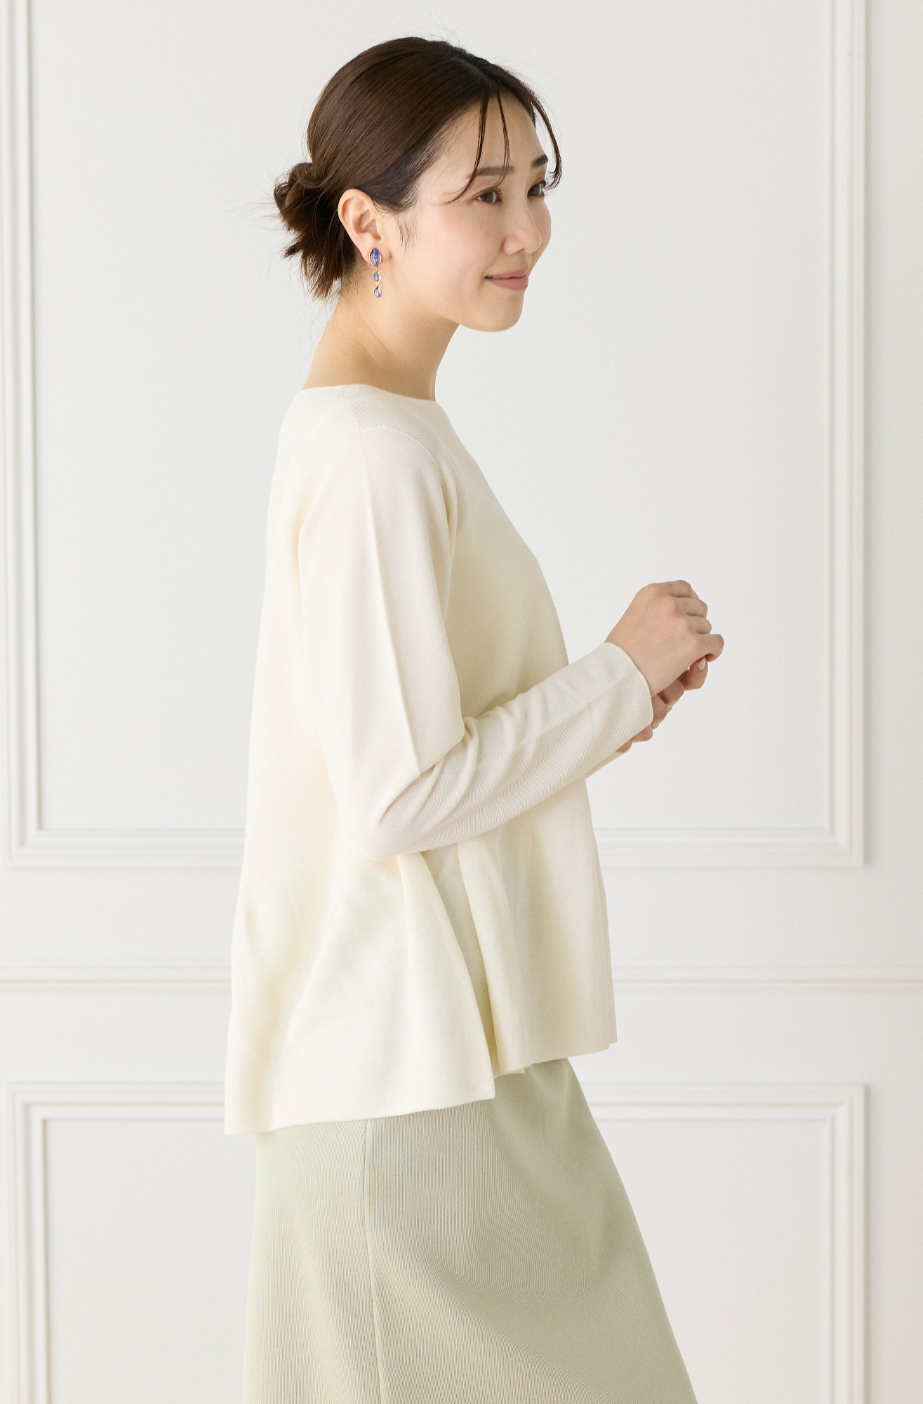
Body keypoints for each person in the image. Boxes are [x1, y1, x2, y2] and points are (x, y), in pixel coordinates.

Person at [224, 35, 724, 1403]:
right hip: (404, 1079)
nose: (527, 232)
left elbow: (423, 757)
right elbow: (395, 800)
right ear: (368, 222)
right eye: (483, 196)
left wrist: (611, 704)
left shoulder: (393, 432)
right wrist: (609, 674)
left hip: (457, 1055)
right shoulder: (369, 453)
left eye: (535, 187)